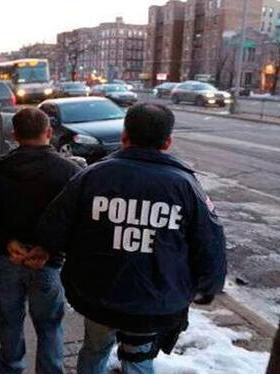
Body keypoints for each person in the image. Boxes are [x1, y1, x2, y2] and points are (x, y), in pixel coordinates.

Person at [35, 103, 227, 374]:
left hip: (98, 296)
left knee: (94, 347)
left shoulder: (91, 177)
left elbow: (52, 230)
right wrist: (209, 286)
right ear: (168, 142)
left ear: (125, 137)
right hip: (154, 302)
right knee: (138, 359)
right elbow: (211, 244)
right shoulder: (186, 186)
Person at [0, 107, 82, 374]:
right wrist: (50, 247)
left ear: (15, 134)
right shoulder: (70, 172)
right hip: (47, 264)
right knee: (50, 326)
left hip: (7, 259)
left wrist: (5, 241)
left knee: (8, 322)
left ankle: (11, 368)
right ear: (49, 133)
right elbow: (78, 223)